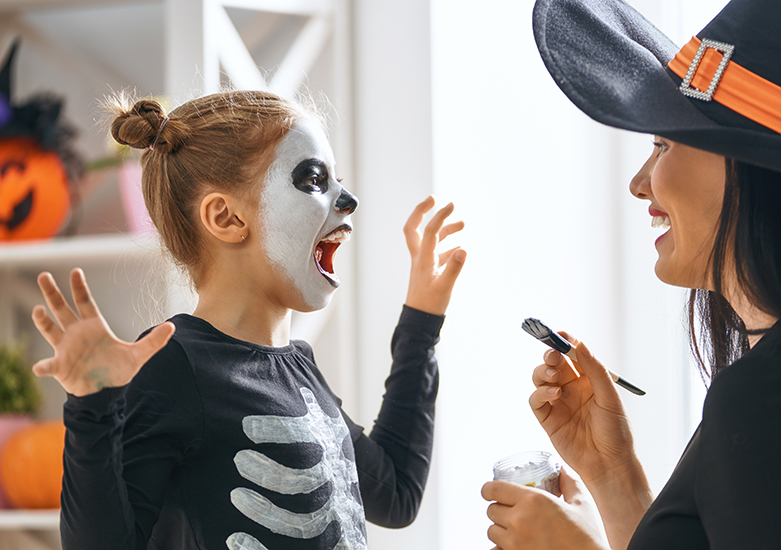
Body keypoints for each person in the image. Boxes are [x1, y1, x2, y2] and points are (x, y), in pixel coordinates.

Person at [482, 0, 781, 548]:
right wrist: (614, 476)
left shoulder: (769, 395)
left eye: (662, 143)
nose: (640, 182)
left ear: (752, 168)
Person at [31, 90, 466, 550]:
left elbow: (395, 493)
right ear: (226, 217)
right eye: (315, 180)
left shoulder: (299, 367)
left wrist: (422, 318)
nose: (348, 199)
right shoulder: (173, 365)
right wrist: (92, 409)